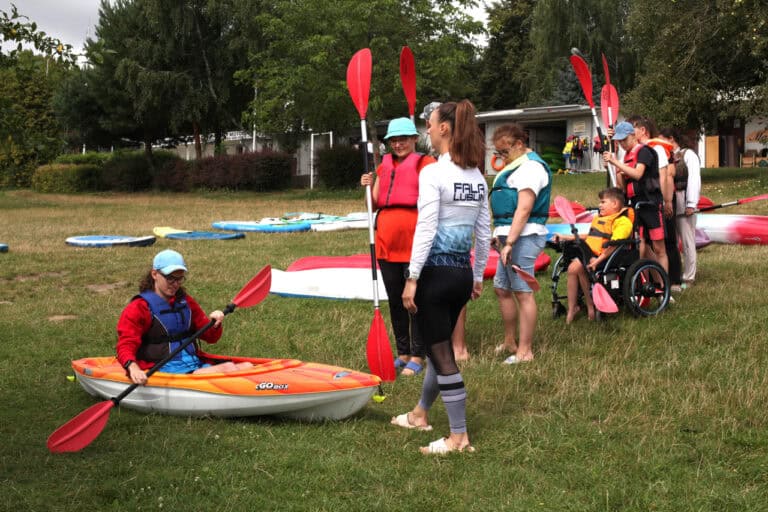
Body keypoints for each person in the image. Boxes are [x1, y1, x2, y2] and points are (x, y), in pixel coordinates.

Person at [393, 99, 490, 454]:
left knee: (443, 357)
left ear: (445, 128)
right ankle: (420, 414)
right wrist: (477, 276)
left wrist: (412, 277)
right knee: (440, 348)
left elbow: (426, 227)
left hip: (435, 277)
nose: (428, 130)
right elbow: (484, 231)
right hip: (461, 276)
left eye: (431, 124)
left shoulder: (433, 172)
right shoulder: (477, 176)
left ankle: (458, 437)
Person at [360, 117, 436, 376]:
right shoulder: (384, 166)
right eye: (393, 140)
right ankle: (403, 352)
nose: (398, 144)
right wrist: (367, 187)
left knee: (414, 300)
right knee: (395, 300)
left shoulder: (426, 164)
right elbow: (373, 203)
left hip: (415, 242)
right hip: (387, 243)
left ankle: (418, 354)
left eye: (403, 139)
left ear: (414, 139)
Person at [116, 249, 252, 385]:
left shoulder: (185, 302)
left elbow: (211, 337)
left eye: (179, 278)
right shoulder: (139, 307)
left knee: (247, 366)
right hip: (162, 368)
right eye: (170, 278)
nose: (176, 284)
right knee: (228, 367)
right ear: (155, 274)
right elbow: (126, 344)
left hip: (193, 363)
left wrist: (215, 324)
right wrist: (133, 368)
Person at [489, 123, 551, 364]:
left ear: (519, 144)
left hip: (524, 237)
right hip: (509, 236)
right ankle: (510, 342)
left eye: (505, 152)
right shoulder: (516, 166)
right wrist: (500, 235)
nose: (502, 157)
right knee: (502, 289)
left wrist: (511, 242)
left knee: (523, 293)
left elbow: (524, 208)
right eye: (498, 153)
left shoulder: (532, 167)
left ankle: (525, 351)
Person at [553, 187, 633, 323]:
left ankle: (586, 306)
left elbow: (614, 245)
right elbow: (591, 237)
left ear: (615, 203)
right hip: (590, 254)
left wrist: (597, 261)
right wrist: (566, 236)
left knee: (576, 268)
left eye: (603, 202)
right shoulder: (599, 219)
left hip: (608, 257)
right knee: (573, 268)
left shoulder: (622, 222)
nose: (599, 205)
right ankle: (577, 307)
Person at [603, 121, 668, 273]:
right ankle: (645, 280)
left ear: (633, 136)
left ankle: (664, 283)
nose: (622, 144)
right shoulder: (626, 156)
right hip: (635, 205)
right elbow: (622, 187)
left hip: (650, 204)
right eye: (619, 141)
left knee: (659, 248)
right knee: (640, 245)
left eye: (624, 140)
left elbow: (638, 174)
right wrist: (617, 170)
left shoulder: (644, 151)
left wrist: (615, 162)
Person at [630, 116, 680, 288]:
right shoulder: (632, 149)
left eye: (632, 128)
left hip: (654, 203)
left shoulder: (656, 149)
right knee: (642, 246)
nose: (630, 133)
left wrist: (667, 201)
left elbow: (665, 176)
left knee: (662, 246)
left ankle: (667, 285)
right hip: (638, 204)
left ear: (642, 130)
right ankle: (645, 284)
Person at [660, 127, 701, 288]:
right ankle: (674, 273)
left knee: (687, 240)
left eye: (662, 139)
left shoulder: (688, 155)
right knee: (672, 240)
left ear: (671, 139)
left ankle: (689, 276)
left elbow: (694, 180)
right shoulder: (666, 156)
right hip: (670, 201)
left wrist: (691, 203)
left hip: (683, 200)